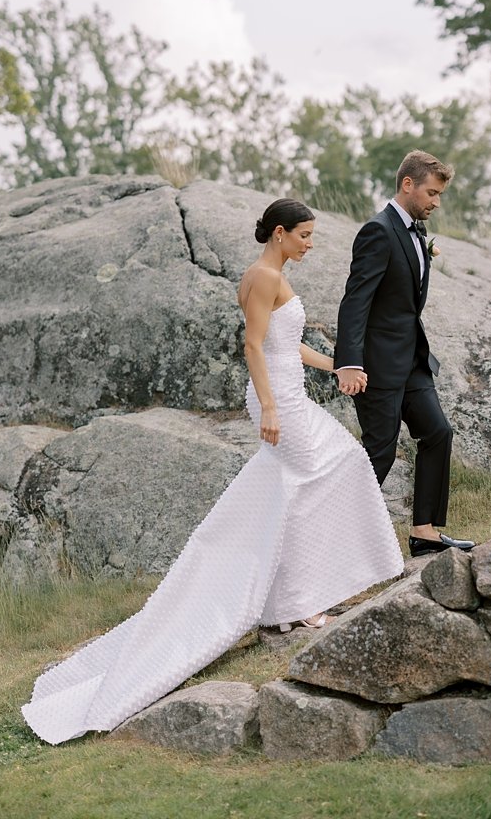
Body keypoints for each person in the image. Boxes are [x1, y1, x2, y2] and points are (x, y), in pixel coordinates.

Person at [20, 199, 404, 745]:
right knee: (333, 468)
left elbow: (286, 344)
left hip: (289, 389)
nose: (311, 244)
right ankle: (296, 602)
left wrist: (339, 364)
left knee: (317, 479)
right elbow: (253, 345)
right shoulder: (261, 276)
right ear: (280, 233)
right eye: (306, 235)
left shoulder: (274, 275)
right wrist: (270, 407)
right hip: (279, 401)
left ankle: (295, 600)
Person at [335, 151, 474, 557]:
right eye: (432, 193)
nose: (436, 202)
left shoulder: (415, 233)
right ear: (407, 185)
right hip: (376, 366)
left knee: (437, 433)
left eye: (441, 194)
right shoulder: (378, 231)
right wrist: (349, 361)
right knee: (379, 452)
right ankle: (331, 540)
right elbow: (355, 300)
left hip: (412, 361)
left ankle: (424, 532)